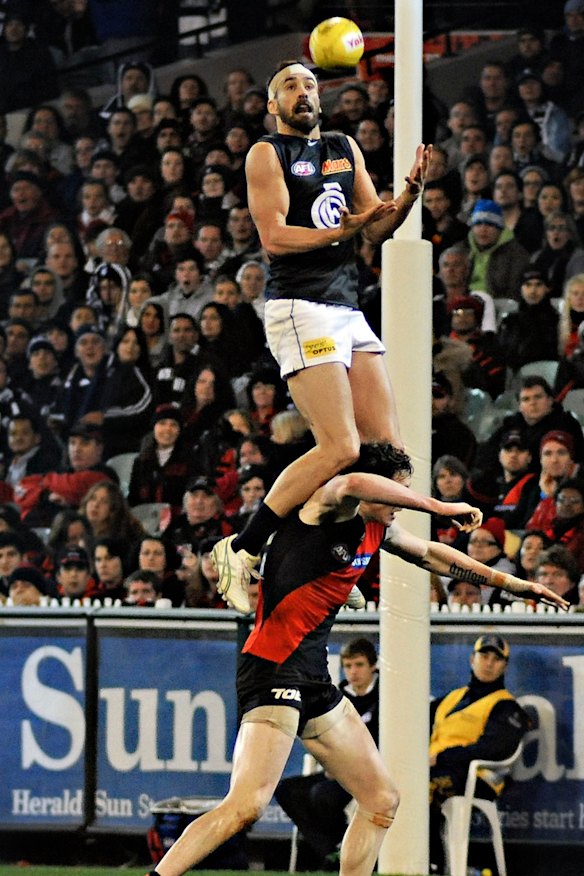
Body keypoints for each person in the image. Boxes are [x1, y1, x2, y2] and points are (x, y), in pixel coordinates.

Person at [148, 443, 565, 876]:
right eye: (396, 492)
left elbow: (433, 554)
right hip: (273, 668)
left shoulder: (376, 528)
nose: (400, 503)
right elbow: (350, 481)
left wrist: (515, 584)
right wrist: (436, 504)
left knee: (381, 800)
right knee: (246, 806)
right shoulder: (327, 507)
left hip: (314, 678)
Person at [212, 59, 431, 589]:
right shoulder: (268, 153)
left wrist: (405, 201)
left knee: (391, 457)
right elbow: (275, 238)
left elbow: (374, 228)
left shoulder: (342, 146)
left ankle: (325, 556)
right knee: (341, 448)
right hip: (299, 306)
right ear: (274, 105)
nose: (302, 92)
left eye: (310, 84)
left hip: (346, 306)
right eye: (289, 85)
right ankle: (240, 549)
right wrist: (345, 231)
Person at [275, 637, 380, 870]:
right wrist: (332, 762)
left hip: (370, 772)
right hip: (336, 768)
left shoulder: (387, 697)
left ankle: (350, 852)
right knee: (286, 790)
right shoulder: (336, 696)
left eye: (359, 665)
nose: (353, 672)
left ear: (373, 665)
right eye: (348, 666)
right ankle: (333, 851)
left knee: (321, 795)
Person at [429, 635, 529, 874]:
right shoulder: (452, 698)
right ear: (472, 659)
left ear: (504, 665)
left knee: (422, 790)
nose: (489, 663)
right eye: (484, 656)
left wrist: (442, 757)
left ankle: (430, 864)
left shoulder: (507, 707)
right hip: (435, 769)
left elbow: (493, 749)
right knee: (393, 786)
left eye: (496, 659)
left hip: (476, 780)